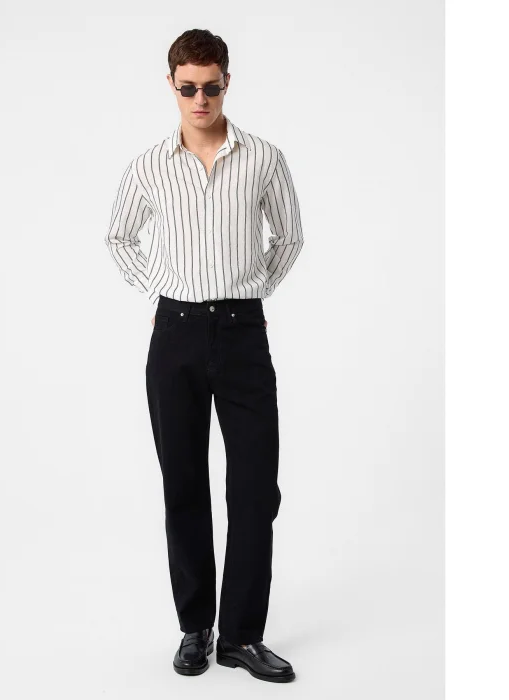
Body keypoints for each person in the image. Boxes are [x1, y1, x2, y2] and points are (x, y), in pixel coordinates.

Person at [104, 28, 303, 683]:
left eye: (211, 86)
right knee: (184, 484)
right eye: (187, 87)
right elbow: (119, 237)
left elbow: (290, 237)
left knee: (255, 490)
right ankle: (196, 627)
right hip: (177, 335)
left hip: (243, 333)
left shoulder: (264, 158)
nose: (200, 98)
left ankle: (241, 635)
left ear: (226, 82)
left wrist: (250, 290)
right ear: (171, 84)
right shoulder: (149, 166)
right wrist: (161, 290)